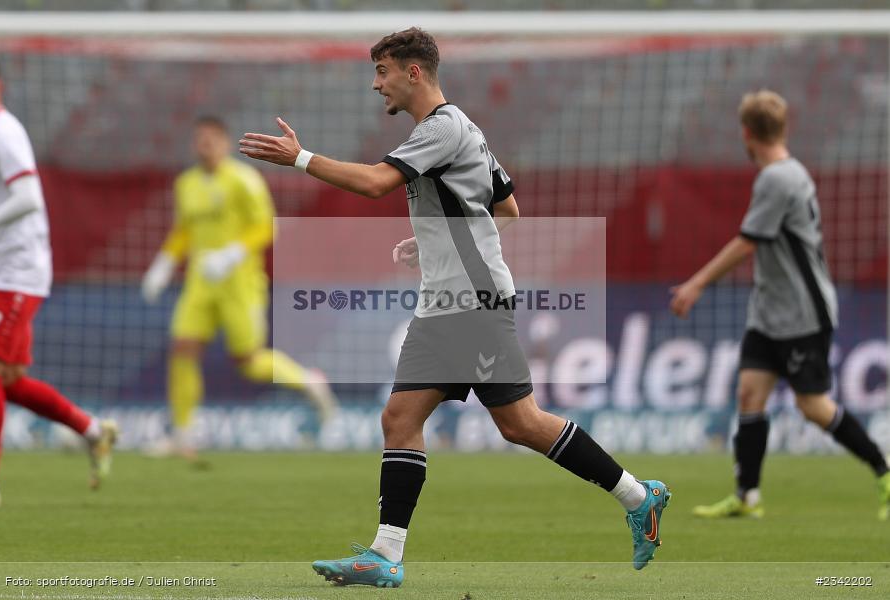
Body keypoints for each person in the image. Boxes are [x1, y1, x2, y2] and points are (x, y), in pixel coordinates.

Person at [239, 28, 670, 587]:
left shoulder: (441, 128)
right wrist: (435, 238)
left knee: (511, 423)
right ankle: (387, 555)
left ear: (413, 72)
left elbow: (374, 184)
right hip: (450, 301)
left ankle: (639, 497)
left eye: (383, 72)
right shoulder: (461, 129)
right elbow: (507, 206)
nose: (376, 85)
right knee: (439, 420)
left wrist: (300, 158)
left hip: (472, 303)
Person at [671, 89, 890, 521]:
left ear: (746, 134)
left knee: (813, 406)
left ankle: (884, 472)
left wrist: (695, 284)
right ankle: (747, 496)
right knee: (749, 393)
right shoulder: (790, 172)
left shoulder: (777, 178)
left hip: (801, 312)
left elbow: (748, 242)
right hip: (770, 310)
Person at [141, 116, 336, 461]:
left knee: (248, 361)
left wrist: (231, 255)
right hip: (200, 284)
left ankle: (308, 381)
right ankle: (183, 435)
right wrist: (163, 265)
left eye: (212, 140)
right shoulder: (186, 183)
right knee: (182, 348)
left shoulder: (244, 180)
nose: (205, 146)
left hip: (240, 284)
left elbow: (265, 227)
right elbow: (183, 230)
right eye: (200, 140)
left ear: (224, 143)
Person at [0, 55, 118, 509]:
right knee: (4, 379)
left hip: (17, 271)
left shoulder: (4, 132)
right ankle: (91, 430)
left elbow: (26, 197)